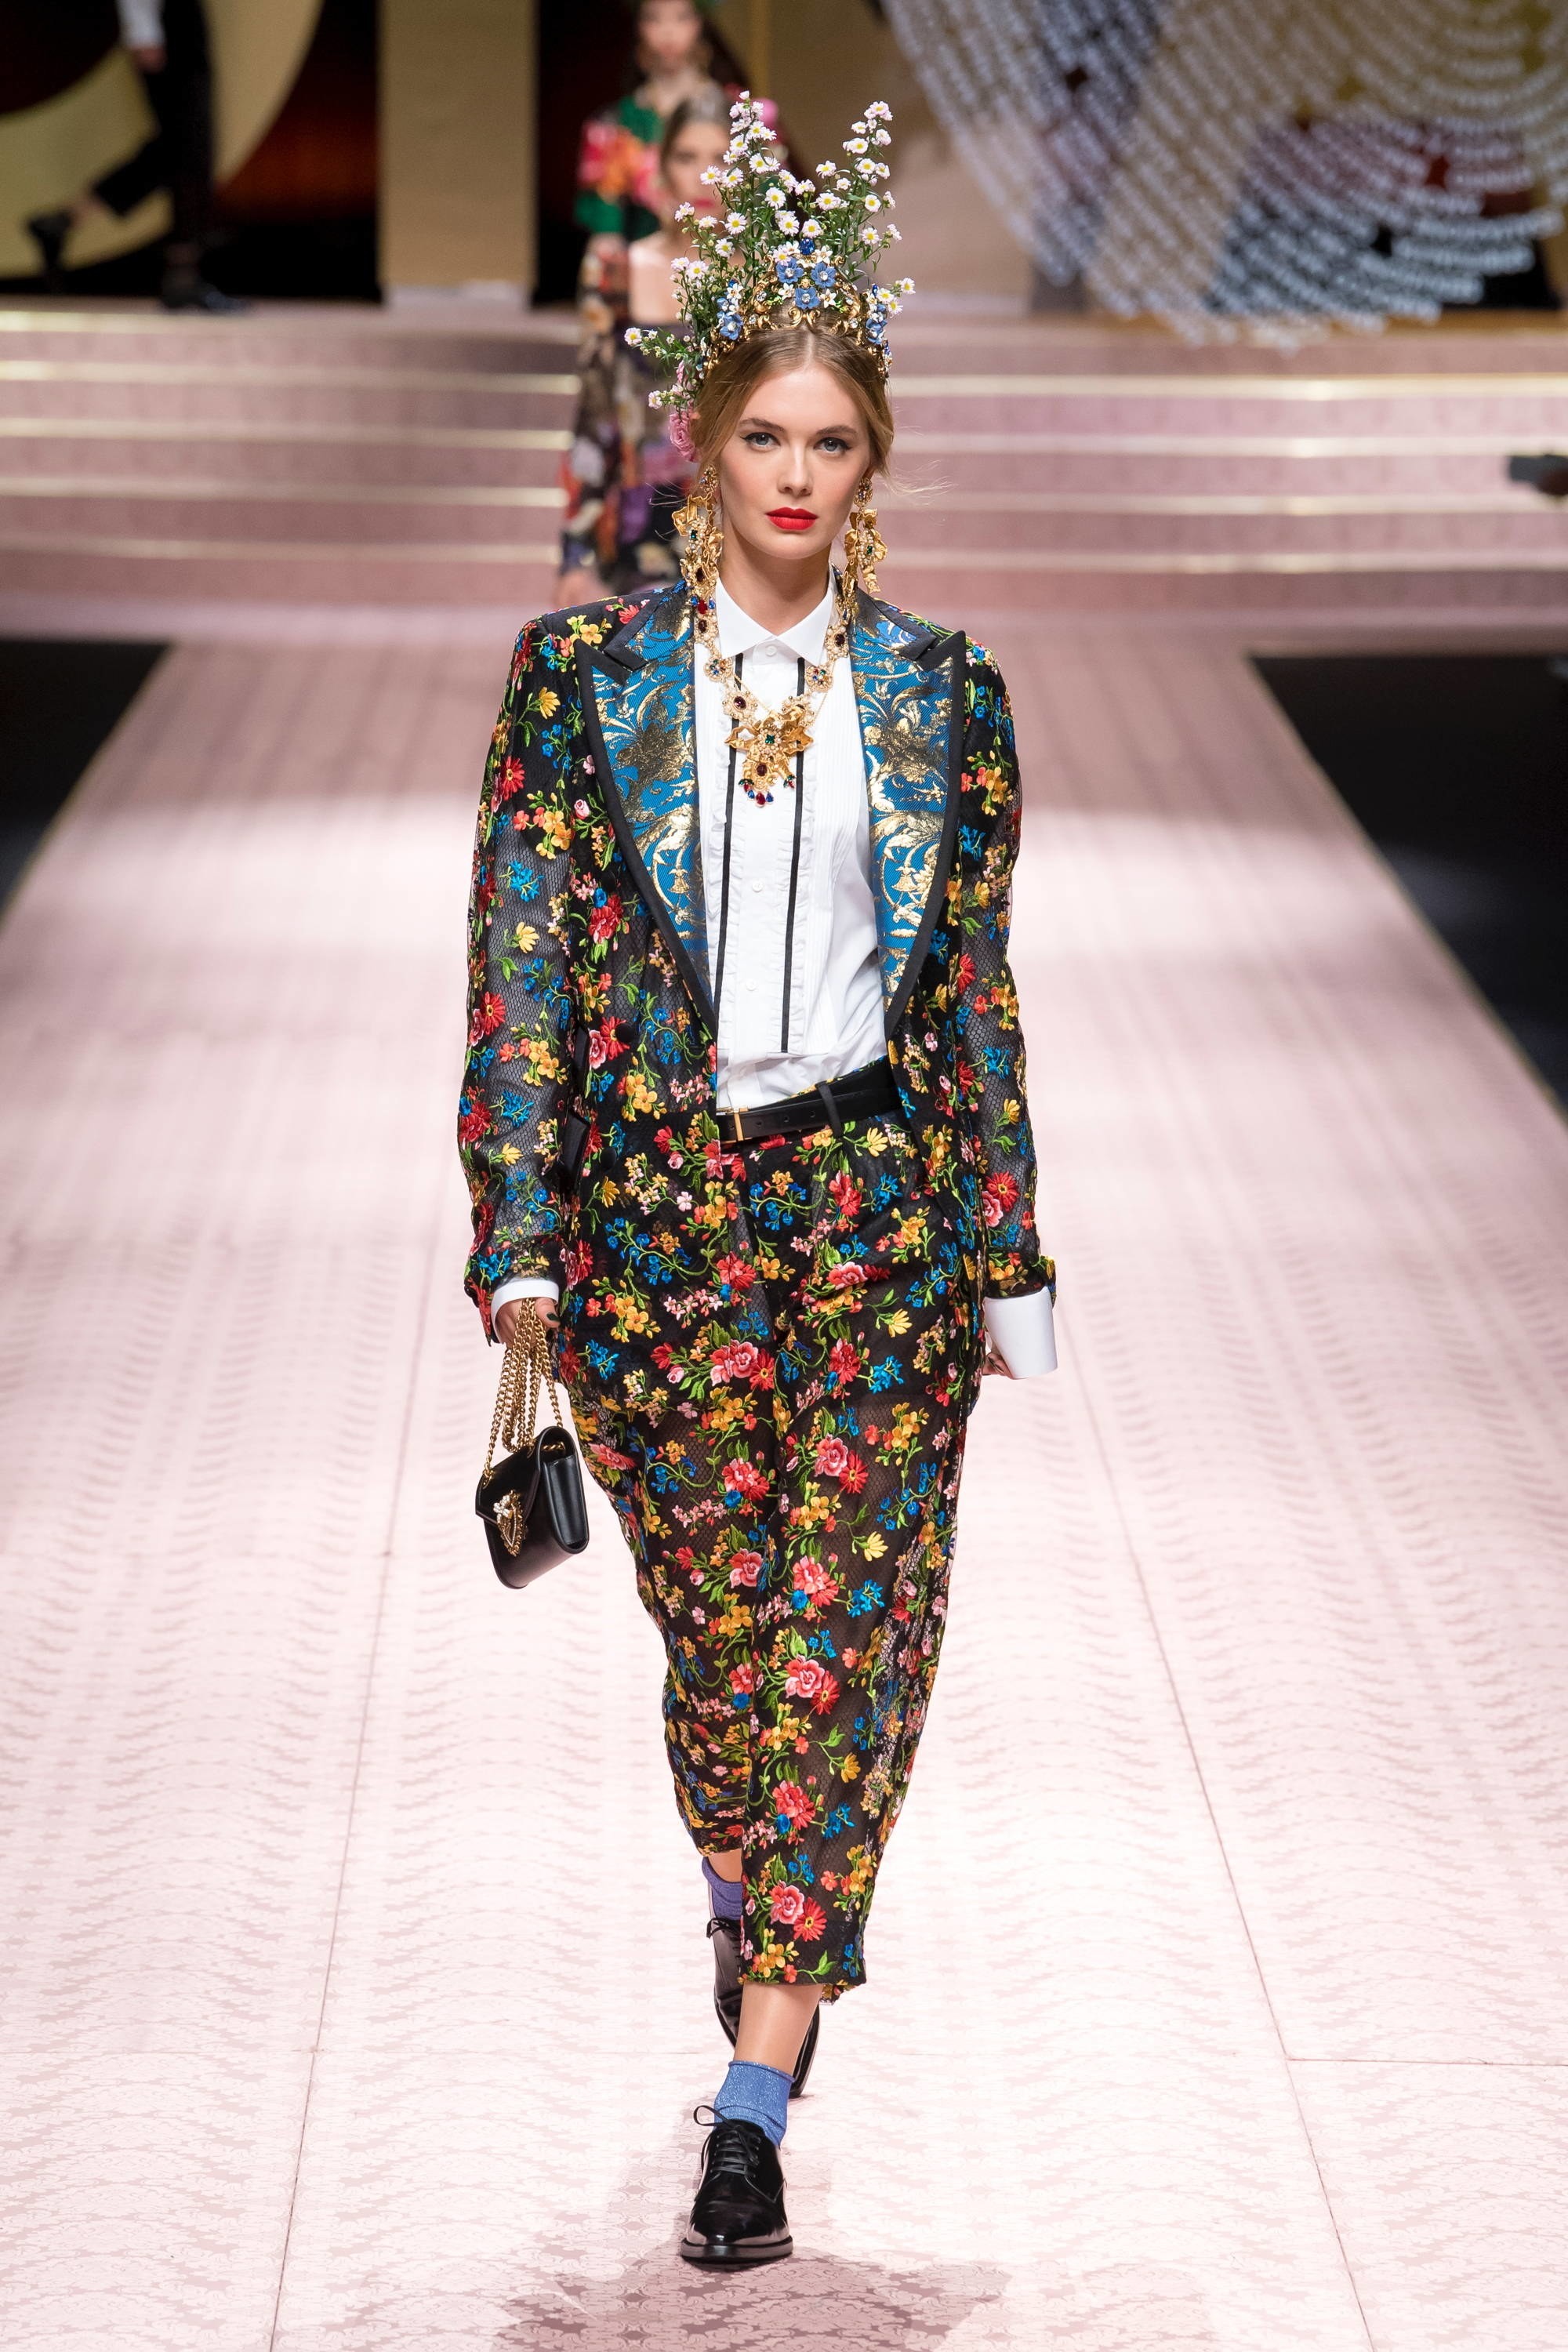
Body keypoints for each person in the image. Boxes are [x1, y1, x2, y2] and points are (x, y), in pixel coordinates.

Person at [459, 95, 1057, 2268]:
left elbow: (968, 987)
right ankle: (758, 1902)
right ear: (702, 447)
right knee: (724, 1653)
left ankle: (754, 2100)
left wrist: (1004, 1250)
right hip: (660, 1231)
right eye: (763, 437)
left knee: (841, 1645)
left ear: (872, 465)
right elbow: (525, 963)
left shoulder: (944, 696)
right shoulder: (582, 681)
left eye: (834, 443)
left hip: (876, 1217)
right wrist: (520, 1235)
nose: (797, 475)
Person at [560, 89, 732, 602]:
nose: (704, 176)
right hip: (640, 526)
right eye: (687, 157)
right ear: (662, 169)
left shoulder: (769, 280)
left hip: (741, 524)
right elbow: (595, 418)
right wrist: (575, 552)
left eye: (722, 159)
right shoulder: (615, 273)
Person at [24, 0, 244, 313]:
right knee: (189, 147)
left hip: (178, 20)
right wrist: (142, 29)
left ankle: (62, 221)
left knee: (181, 147)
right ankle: (182, 275)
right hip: (167, 23)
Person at [575, 0, 721, 260]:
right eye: (654, 19)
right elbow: (605, 218)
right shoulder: (615, 123)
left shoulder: (732, 114)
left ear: (701, 25)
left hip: (719, 253)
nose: (668, 31)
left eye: (682, 18)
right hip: (643, 254)